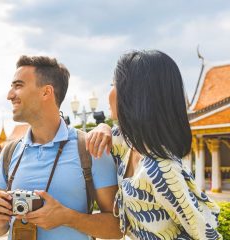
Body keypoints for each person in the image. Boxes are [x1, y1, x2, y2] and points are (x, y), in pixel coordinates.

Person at [86, 50, 221, 239]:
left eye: (113, 84)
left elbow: (206, 235)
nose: (109, 92)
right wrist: (102, 126)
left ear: (133, 94)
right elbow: (89, 139)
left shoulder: (160, 169)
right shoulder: (129, 145)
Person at [0, 55, 121, 239]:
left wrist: (67, 218)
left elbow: (117, 228)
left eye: (18, 86)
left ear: (46, 92)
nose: (10, 95)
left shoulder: (90, 149)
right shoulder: (10, 152)